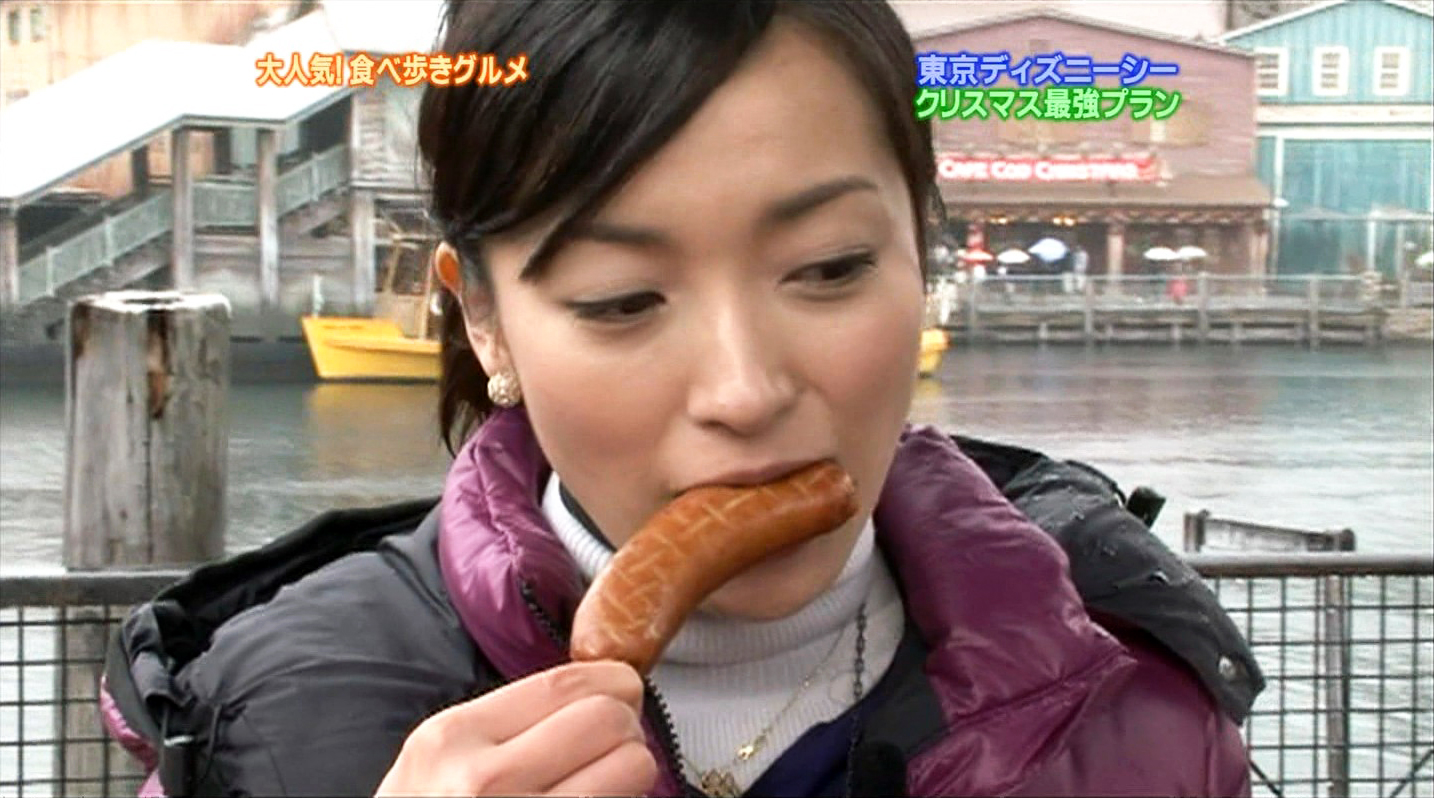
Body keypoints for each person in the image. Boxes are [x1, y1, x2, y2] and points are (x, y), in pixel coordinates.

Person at [100, 3, 1262, 796]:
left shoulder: (1139, 701)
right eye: (621, 300)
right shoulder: (267, 724)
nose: (745, 391)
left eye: (831, 269)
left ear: (921, 253)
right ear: (485, 320)